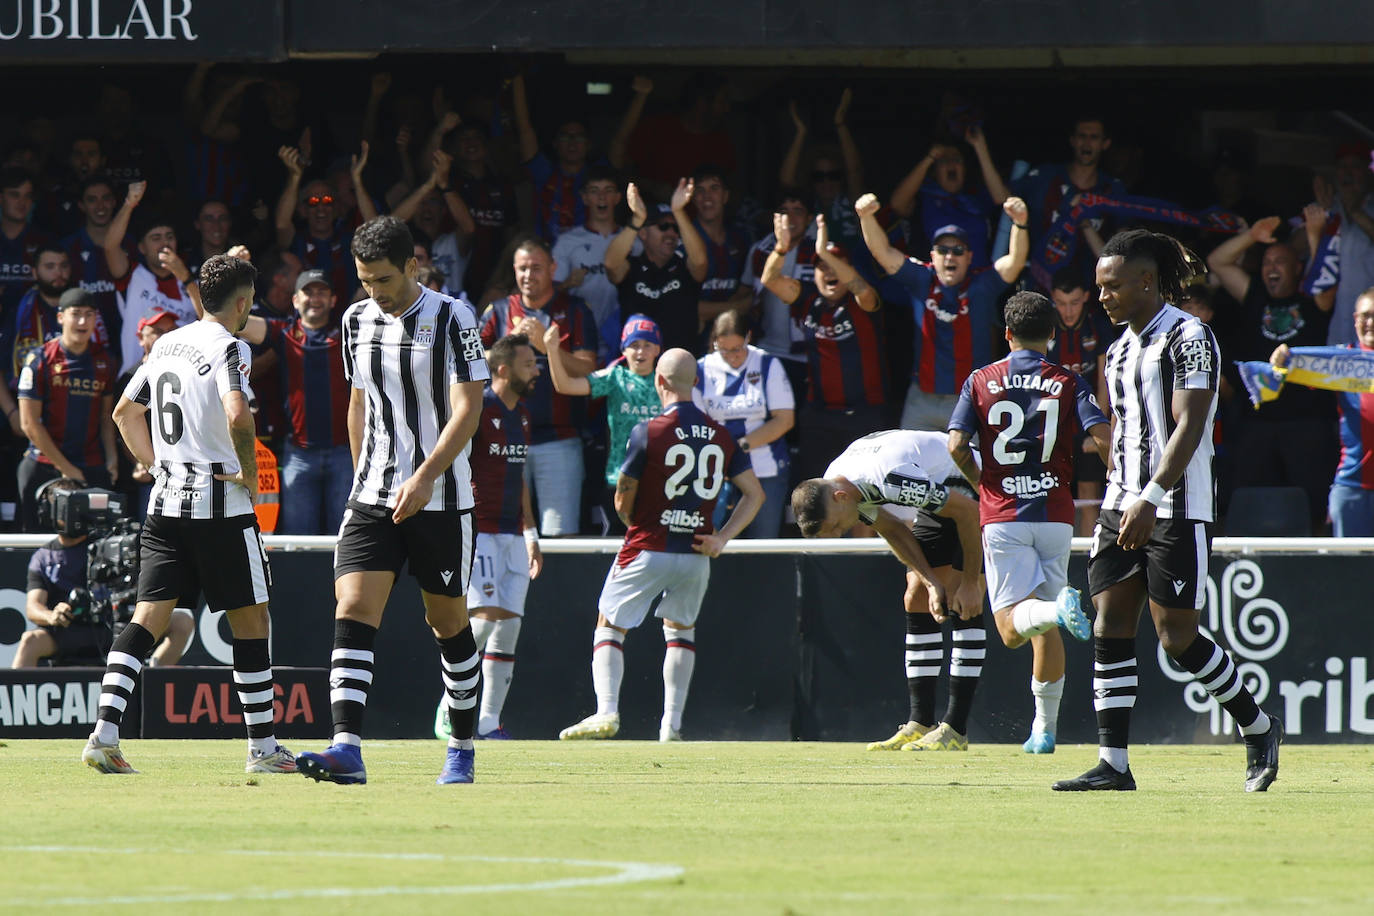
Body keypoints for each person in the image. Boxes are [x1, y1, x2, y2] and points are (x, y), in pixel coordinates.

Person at [1053, 229, 1281, 792]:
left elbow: (1190, 424)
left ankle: (1257, 726)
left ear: (1146, 282)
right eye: (1099, 286)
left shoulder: (1190, 335)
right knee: (1109, 625)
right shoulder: (1120, 348)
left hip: (1175, 505)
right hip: (1118, 504)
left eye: (1112, 286)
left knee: (1177, 638)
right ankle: (1114, 764)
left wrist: (1150, 498)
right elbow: (1129, 428)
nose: (1102, 296)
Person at [296, 216, 490, 786]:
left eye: (382, 279)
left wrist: (427, 475)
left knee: (447, 621)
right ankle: (346, 748)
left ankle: (461, 746)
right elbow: (359, 405)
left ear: (411, 266)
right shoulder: (356, 320)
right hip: (374, 496)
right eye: (363, 281)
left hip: (441, 496)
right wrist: (365, 477)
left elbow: (468, 410)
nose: (373, 292)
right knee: (352, 607)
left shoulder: (454, 316)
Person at [84, 254, 296, 776]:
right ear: (244, 302)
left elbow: (124, 413)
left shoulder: (167, 344)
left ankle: (104, 735)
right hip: (220, 506)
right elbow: (237, 411)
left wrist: (157, 467)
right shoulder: (232, 347)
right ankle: (263, 749)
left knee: (147, 619)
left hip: (165, 505)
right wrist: (248, 471)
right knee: (252, 622)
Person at [559, 349, 763, 742]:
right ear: (696, 383)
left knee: (610, 625)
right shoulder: (720, 435)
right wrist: (722, 536)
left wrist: (632, 521)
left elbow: (623, 494)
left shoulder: (648, 431)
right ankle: (671, 725)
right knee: (681, 630)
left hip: (648, 545)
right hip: (697, 552)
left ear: (660, 382)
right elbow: (754, 495)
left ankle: (607, 711)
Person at [947, 291, 1110, 753]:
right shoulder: (1067, 380)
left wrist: (984, 483)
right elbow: (1101, 435)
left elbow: (957, 444)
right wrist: (1119, 479)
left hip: (1004, 515)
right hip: (1056, 514)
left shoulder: (981, 380)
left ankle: (1058, 611)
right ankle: (1044, 729)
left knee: (1012, 629)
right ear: (1053, 336)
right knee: (1044, 621)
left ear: (1006, 334)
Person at [791, 430, 986, 752]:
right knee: (917, 595)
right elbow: (892, 528)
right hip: (943, 493)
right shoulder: (839, 484)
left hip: (976, 489)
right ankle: (920, 722)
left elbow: (967, 511)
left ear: (840, 498)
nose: (842, 534)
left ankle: (955, 728)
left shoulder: (892, 480)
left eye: (837, 527)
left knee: (963, 599)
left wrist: (968, 581)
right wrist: (929, 581)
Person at [433, 333, 543, 740]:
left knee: (509, 625)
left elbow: (521, 477)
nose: (536, 371)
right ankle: (447, 706)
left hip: (514, 534)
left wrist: (532, 533)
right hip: (478, 529)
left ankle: (488, 721)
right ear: (502, 369)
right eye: (529, 364)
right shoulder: (478, 409)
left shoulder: (523, 415)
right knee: (482, 619)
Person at [858, 192, 1030, 431]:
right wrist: (865, 217)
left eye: (958, 250)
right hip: (921, 400)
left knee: (970, 468)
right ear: (933, 256)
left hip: (970, 400)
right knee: (909, 466)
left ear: (969, 257)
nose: (950, 256)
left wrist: (1020, 223)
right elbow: (882, 253)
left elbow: (1015, 262)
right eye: (943, 250)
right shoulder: (920, 278)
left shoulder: (982, 285)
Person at [1207, 215, 1336, 531]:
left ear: (1297, 268)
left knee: (1313, 504)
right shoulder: (1255, 296)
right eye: (1266, 262)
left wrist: (1316, 234)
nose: (1271, 268)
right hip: (1258, 421)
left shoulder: (1312, 299)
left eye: (1280, 261)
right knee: (1246, 497)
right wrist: (1252, 235)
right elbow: (1217, 261)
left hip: (1307, 421)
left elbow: (1327, 280)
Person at [215, 268, 351, 535]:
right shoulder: (284, 332)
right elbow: (222, 320)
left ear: (334, 300)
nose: (315, 298)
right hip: (299, 455)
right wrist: (234, 278)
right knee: (298, 543)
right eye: (307, 292)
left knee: (346, 541)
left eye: (322, 292)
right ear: (295, 300)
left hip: (344, 453)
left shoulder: (350, 332)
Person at [479, 237, 599, 537]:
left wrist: (548, 347)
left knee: (559, 535)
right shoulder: (497, 310)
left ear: (553, 268)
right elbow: (472, 364)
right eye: (522, 269)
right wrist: (509, 346)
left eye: (536, 268)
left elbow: (589, 370)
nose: (528, 276)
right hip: (502, 438)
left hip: (559, 439)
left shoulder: (575, 310)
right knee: (501, 531)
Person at [14, 477, 193, 668]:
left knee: (181, 622)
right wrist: (52, 616)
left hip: (116, 621)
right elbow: (33, 607)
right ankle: (11, 697)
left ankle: (152, 678)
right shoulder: (44, 556)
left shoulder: (110, 543)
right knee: (30, 641)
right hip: (70, 629)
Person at [761, 211, 885, 483]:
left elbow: (863, 290)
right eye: (821, 266)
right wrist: (782, 249)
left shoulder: (862, 302)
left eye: (835, 265)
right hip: (819, 416)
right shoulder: (807, 299)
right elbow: (770, 280)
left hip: (863, 415)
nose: (828, 271)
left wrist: (824, 252)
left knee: (865, 496)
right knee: (817, 493)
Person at [545, 315, 663, 535]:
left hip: (660, 480)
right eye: (634, 345)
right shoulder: (614, 377)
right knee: (617, 549)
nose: (641, 352)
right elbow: (566, 385)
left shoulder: (666, 380)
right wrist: (552, 350)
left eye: (648, 345)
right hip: (619, 479)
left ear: (658, 350)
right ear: (623, 350)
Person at [1271, 289, 1374, 536]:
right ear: (1355, 319)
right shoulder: (1341, 361)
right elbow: (1290, 369)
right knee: (1350, 574)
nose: (1370, 323)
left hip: (1352, 489)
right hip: (1353, 488)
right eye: (1365, 315)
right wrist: (1283, 357)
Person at [16, 289, 118, 531]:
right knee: (34, 545)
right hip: (43, 465)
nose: (83, 322)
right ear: (61, 317)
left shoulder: (104, 361)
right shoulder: (39, 359)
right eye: (76, 314)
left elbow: (105, 417)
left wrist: (112, 458)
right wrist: (67, 469)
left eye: (89, 314)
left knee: (95, 545)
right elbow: (29, 424)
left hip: (90, 465)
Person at [694, 311, 794, 537]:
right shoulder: (701, 369)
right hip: (715, 473)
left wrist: (737, 450)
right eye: (724, 349)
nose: (732, 356)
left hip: (764, 469)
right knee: (714, 541)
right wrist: (721, 459)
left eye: (738, 349)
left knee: (763, 543)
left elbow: (784, 420)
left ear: (748, 337)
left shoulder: (767, 364)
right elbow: (696, 424)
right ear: (715, 343)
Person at [1012, 116, 1127, 292]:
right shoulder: (1046, 176)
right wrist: (979, 143)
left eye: (1094, 137)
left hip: (1088, 297)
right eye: (1082, 136)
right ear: (1072, 140)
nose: (1087, 142)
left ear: (1105, 143)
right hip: (1038, 287)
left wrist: (1083, 219)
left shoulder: (1113, 190)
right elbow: (1001, 197)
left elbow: (1122, 256)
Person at [1046, 267, 1117, 533]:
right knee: (1052, 494)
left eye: (1074, 302)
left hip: (1087, 425)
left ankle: (1087, 564)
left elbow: (1104, 385)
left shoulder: (1098, 327)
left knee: (1089, 495)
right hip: (1053, 428)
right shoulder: (1046, 328)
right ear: (1052, 297)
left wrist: (1097, 430)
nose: (1068, 311)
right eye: (1061, 303)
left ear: (1087, 296)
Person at [101, 181, 198, 375]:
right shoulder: (133, 275)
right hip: (137, 378)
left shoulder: (192, 283)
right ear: (141, 248)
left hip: (184, 381)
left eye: (169, 237)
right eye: (156, 238)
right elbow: (110, 246)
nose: (165, 243)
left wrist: (185, 277)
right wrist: (130, 203)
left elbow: (210, 321)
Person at [605, 181, 709, 355]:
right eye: (663, 227)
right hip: (638, 370)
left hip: (680, 370)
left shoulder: (684, 267)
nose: (671, 233)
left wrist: (679, 212)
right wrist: (637, 219)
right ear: (643, 233)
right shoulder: (632, 267)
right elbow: (610, 264)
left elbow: (700, 263)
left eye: (675, 228)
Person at [890, 125, 1013, 269]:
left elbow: (1005, 201)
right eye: (943, 161)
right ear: (934, 172)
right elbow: (897, 204)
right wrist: (929, 158)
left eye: (957, 160)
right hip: (934, 284)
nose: (951, 163)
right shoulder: (924, 197)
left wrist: (979, 147)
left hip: (979, 281)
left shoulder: (977, 197)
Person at [551, 166, 631, 359]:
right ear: (585, 198)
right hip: (581, 337)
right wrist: (567, 283)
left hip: (624, 336)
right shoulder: (567, 241)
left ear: (618, 197)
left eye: (608, 190)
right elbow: (547, 294)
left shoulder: (633, 240)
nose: (602, 197)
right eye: (594, 191)